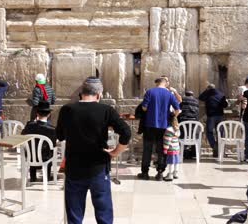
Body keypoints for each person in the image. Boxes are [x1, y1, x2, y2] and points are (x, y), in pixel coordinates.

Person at [56, 77, 131, 224]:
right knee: (103, 213)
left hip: (74, 168)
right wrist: (115, 152)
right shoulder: (106, 110)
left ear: (81, 93)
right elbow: (126, 133)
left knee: (74, 214)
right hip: (98, 168)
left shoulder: (67, 110)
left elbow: (60, 135)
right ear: (99, 94)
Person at [138, 78, 180, 181]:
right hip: (163, 126)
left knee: (147, 149)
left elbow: (144, 108)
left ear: (157, 83)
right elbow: (178, 109)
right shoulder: (169, 94)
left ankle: (145, 173)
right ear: (165, 83)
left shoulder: (150, 92)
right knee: (162, 150)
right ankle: (160, 173)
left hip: (149, 125)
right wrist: (172, 116)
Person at [22, 100, 57, 183]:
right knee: (50, 150)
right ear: (49, 115)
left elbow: (22, 135)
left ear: (37, 113)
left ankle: (33, 177)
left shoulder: (29, 125)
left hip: (30, 156)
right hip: (45, 158)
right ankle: (47, 177)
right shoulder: (52, 129)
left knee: (33, 149)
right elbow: (53, 144)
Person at [199, 84, 228, 157]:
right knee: (221, 133)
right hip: (220, 116)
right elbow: (225, 105)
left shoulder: (208, 93)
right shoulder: (221, 94)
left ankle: (214, 146)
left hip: (211, 116)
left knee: (209, 132)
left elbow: (200, 97)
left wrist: (206, 90)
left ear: (208, 88)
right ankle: (220, 150)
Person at [163, 114, 181, 181]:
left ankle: (170, 175)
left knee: (171, 163)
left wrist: (165, 149)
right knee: (176, 162)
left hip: (171, 149)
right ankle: (175, 174)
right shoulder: (177, 128)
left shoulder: (169, 129)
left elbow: (167, 140)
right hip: (177, 148)